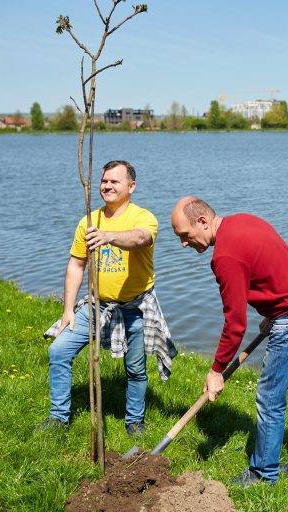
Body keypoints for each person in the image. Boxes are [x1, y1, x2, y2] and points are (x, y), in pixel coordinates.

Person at [170, 196, 288, 485]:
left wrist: (216, 370)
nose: (183, 243)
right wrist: (274, 310)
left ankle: (262, 473)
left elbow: (235, 324)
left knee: (270, 398)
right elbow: (275, 267)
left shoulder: (224, 257)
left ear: (202, 221)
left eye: (185, 235)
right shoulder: (243, 220)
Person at [42, 160, 175, 437]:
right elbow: (76, 265)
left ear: (131, 186)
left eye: (115, 181)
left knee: (136, 368)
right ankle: (58, 417)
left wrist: (108, 236)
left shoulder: (144, 217)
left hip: (136, 306)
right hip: (96, 305)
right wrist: (68, 310)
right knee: (59, 351)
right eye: (104, 181)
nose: (107, 185)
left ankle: (134, 421)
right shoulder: (89, 221)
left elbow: (140, 238)